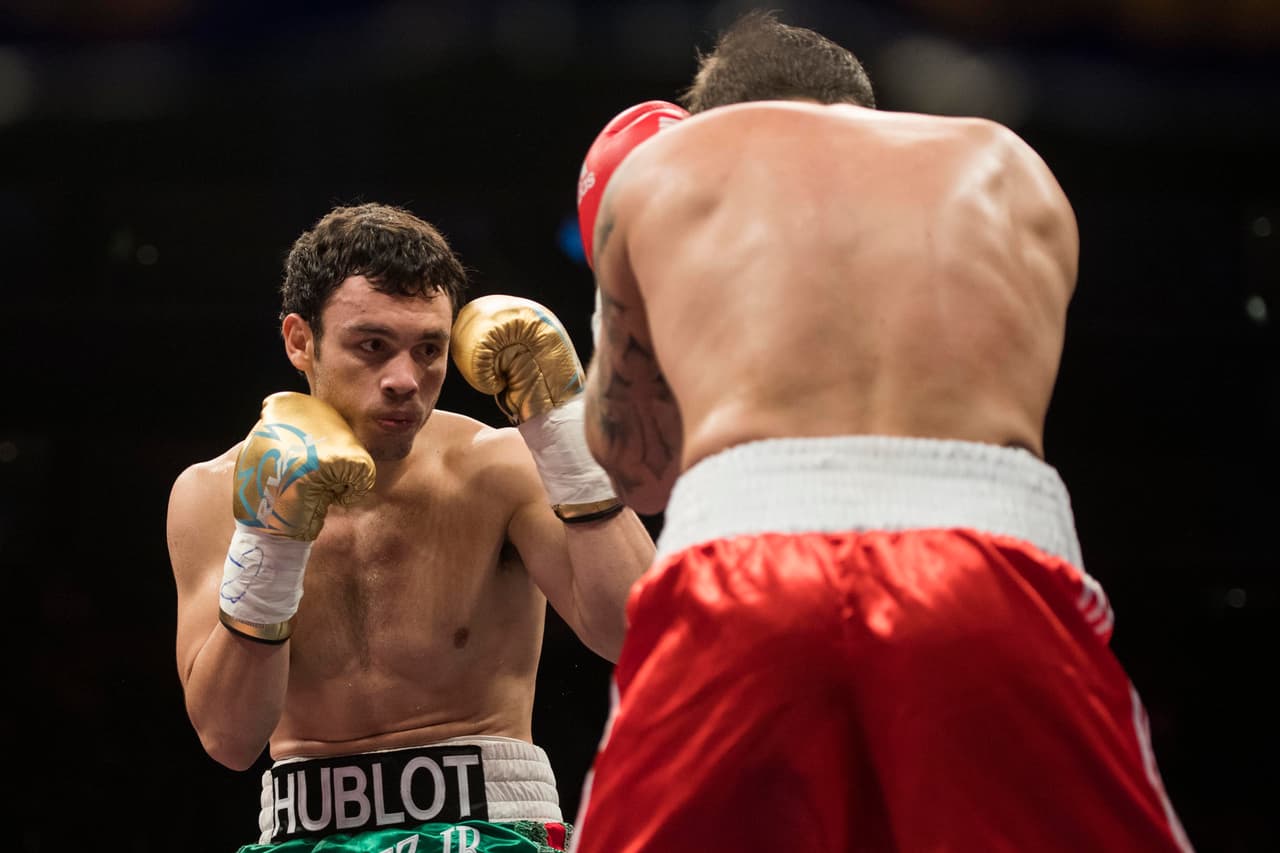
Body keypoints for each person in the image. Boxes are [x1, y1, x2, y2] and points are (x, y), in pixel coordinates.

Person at [569, 11, 1194, 853]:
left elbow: (637, 472)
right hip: (990, 566)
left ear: (718, 121)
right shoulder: (1009, 164)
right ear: (860, 106)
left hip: (747, 556)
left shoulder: (666, 167)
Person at [167, 202, 654, 853]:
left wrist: (565, 432)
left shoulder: (501, 467)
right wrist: (271, 540)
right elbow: (228, 739)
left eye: (428, 349)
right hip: (304, 834)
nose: (404, 380)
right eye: (371, 346)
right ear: (300, 340)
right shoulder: (212, 495)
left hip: (493, 828)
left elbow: (640, 636)